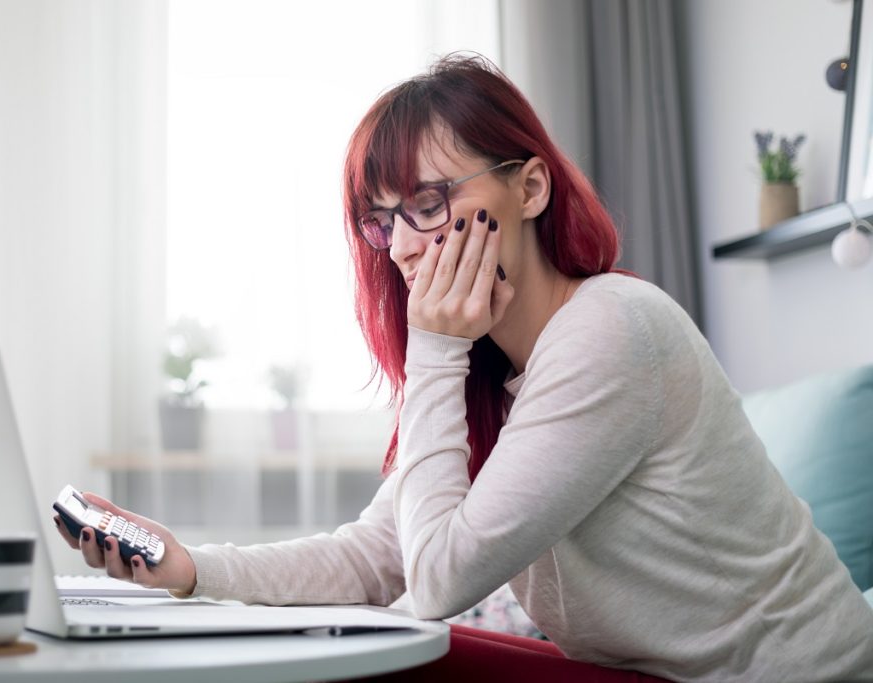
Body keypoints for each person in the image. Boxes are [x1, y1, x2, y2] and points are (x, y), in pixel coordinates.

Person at [55, 55, 873, 681]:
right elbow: (378, 554)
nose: (405, 244)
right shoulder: (486, 370)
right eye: (382, 220)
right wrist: (193, 569)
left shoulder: (612, 329)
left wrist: (436, 348)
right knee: (371, 644)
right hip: (656, 673)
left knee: (409, 652)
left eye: (430, 202)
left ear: (531, 188)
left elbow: (438, 578)